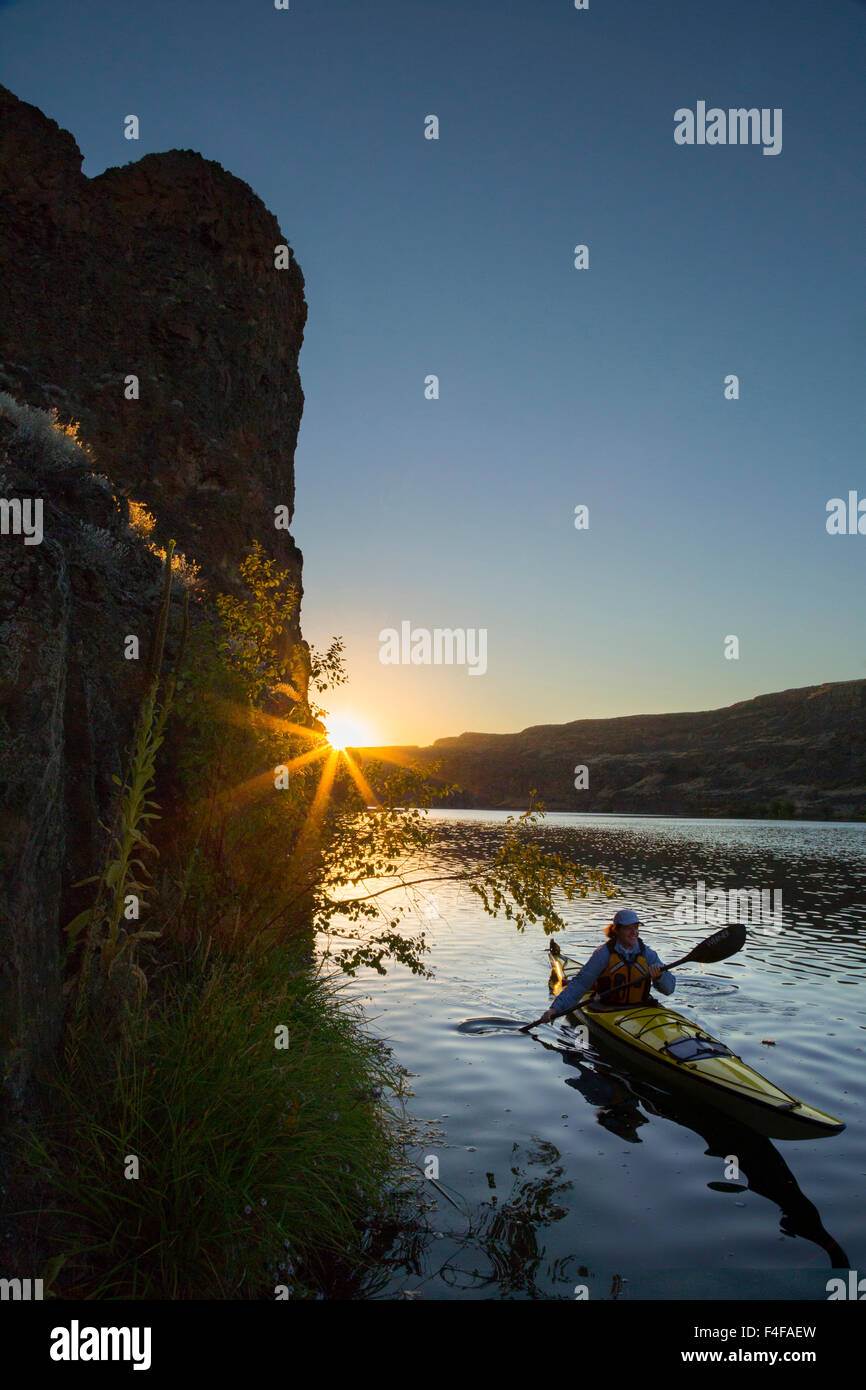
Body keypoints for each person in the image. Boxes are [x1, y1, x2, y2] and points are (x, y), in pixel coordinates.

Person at [539, 908, 676, 1022]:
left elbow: (669, 989)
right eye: (629, 928)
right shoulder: (603, 954)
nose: (634, 932)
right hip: (607, 1009)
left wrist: (660, 977)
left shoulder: (648, 955)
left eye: (636, 927)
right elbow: (580, 985)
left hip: (641, 1009)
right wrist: (555, 1009)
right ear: (617, 930)